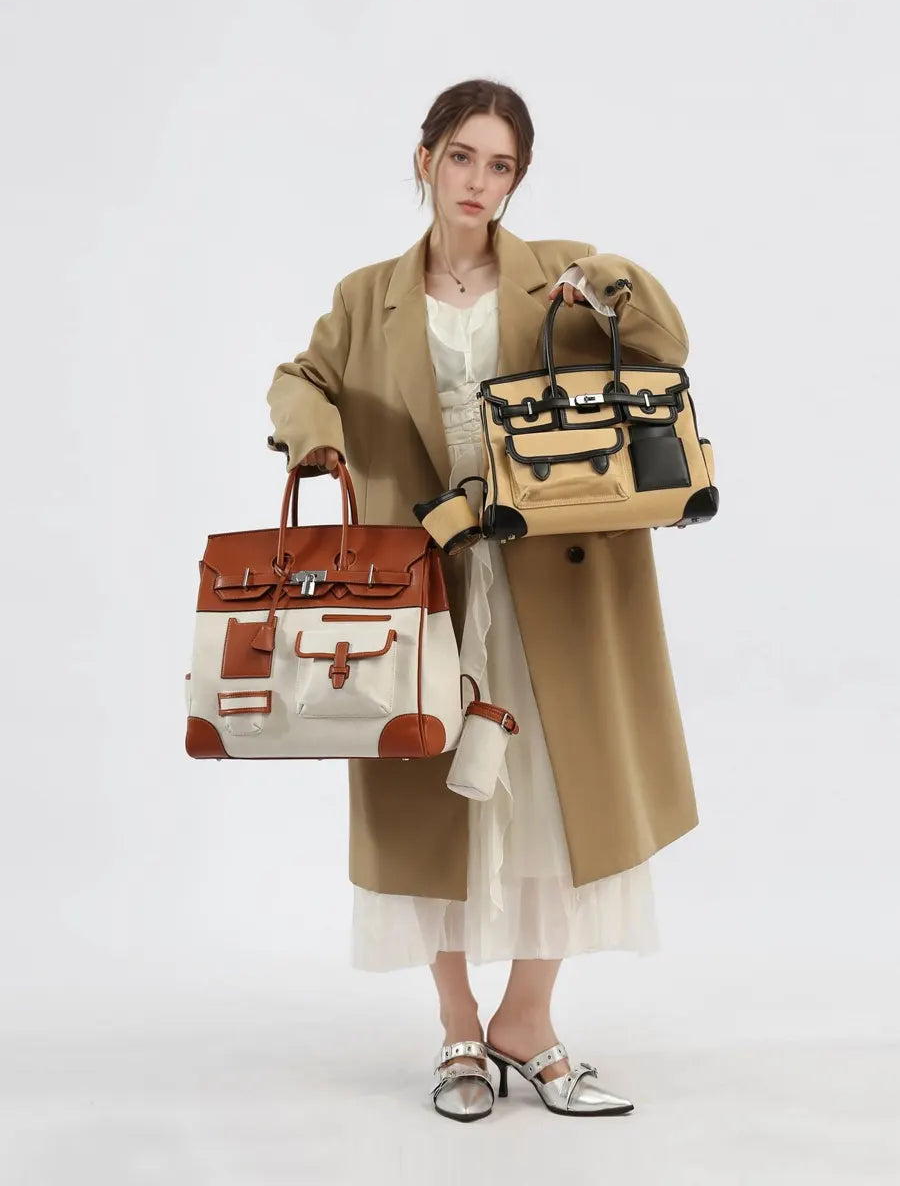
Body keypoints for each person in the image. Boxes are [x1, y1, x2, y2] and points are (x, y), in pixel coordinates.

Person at [266, 78, 699, 1121]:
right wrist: (311, 432)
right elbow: (300, 375)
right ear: (426, 160)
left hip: (557, 575)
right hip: (424, 574)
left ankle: (529, 1022)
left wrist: (601, 283)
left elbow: (662, 347)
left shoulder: (559, 276)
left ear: (519, 178)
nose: (479, 182)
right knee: (435, 797)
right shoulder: (367, 293)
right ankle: (461, 1028)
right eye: (463, 156)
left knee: (557, 791)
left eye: (501, 165)